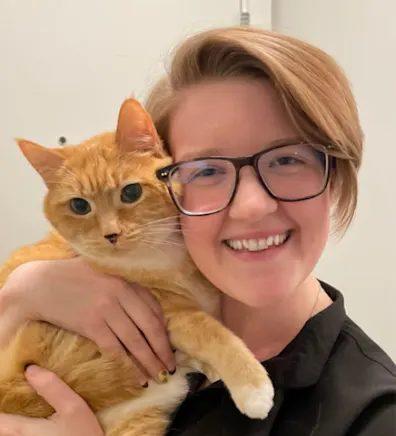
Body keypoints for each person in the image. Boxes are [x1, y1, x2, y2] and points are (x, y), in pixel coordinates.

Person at [0, 26, 394, 436]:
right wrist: (16, 302)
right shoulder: (76, 296)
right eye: (206, 170)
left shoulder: (373, 418)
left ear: (338, 175)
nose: (252, 206)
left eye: (287, 160)